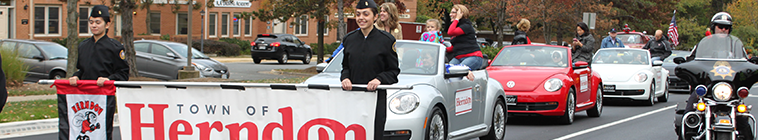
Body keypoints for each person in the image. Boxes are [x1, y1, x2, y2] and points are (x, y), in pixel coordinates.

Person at [682, 12, 753, 139]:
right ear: (714, 27)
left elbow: (745, 62)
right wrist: (687, 64)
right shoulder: (703, 44)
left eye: (726, 27)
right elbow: (692, 59)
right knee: (689, 116)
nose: (723, 29)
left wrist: (752, 64)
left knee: (743, 121)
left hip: (729, 90)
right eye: (720, 26)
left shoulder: (736, 46)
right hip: (707, 88)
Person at [340, 0, 399, 139]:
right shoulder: (349, 39)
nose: (361, 18)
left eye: (366, 14)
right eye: (358, 14)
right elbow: (345, 66)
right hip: (352, 97)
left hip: (375, 99)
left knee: (374, 134)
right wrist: (345, 78)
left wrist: (379, 79)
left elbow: (393, 72)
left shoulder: (386, 40)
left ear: (375, 17)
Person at [68, 5, 129, 87]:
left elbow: (123, 74)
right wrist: (76, 76)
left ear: (107, 25)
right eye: (91, 22)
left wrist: (108, 79)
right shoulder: (83, 45)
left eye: (98, 22)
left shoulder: (115, 47)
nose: (94, 25)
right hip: (85, 93)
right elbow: (82, 70)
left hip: (105, 93)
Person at [446, 4, 483, 70]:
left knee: (459, 70)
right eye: (450, 12)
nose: (450, 15)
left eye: (453, 12)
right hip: (458, 57)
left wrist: (457, 19)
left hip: (473, 56)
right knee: (447, 70)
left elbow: (450, 32)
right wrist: (443, 48)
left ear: (461, 14)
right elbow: (455, 47)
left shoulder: (466, 26)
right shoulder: (457, 26)